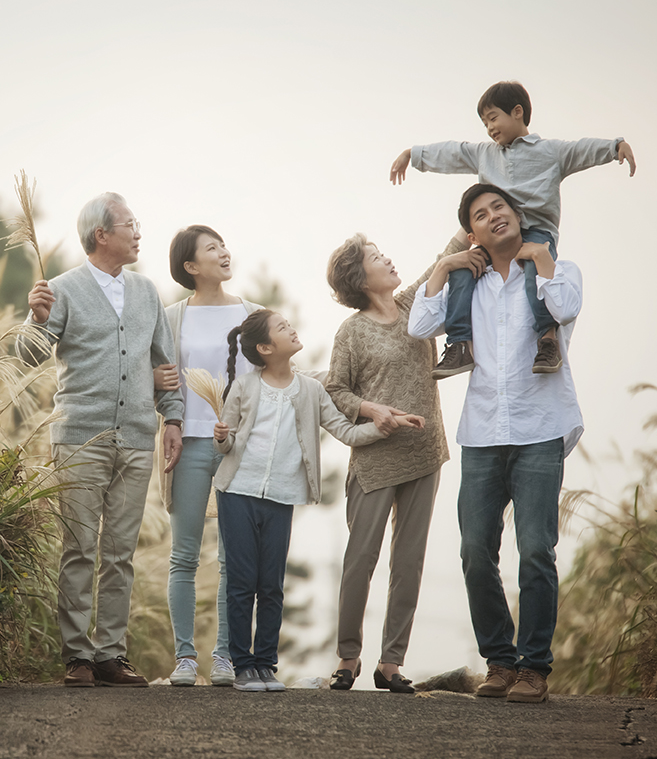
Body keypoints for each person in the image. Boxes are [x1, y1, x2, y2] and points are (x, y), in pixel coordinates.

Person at [408, 183, 585, 704]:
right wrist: (445, 267)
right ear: (473, 233)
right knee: (474, 550)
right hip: (483, 433)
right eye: (481, 215)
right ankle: (500, 662)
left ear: (517, 216)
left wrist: (543, 259)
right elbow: (421, 323)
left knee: (536, 550)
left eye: (499, 208)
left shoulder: (560, 270)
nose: (493, 217)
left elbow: (567, 307)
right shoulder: (469, 284)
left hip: (539, 428)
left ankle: (534, 668)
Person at [16, 192, 185, 688]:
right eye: (130, 224)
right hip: (79, 439)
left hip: (136, 438)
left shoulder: (147, 290)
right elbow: (28, 356)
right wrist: (36, 318)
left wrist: (171, 420)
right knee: (79, 549)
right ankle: (77, 657)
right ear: (101, 235)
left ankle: (110, 654)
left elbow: (165, 366)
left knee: (119, 552)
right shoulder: (61, 289)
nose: (138, 232)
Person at [211, 310, 418, 692]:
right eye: (282, 327)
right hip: (237, 491)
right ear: (265, 347)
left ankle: (265, 665)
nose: (292, 327)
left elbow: (345, 431)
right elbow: (227, 444)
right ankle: (243, 667)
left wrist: (383, 425)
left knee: (271, 585)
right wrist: (222, 437)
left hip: (282, 497)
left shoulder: (311, 390)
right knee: (242, 583)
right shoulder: (242, 386)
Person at [323, 226, 484, 693]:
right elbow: (335, 389)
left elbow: (447, 253)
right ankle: (348, 657)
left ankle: (390, 663)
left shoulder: (415, 304)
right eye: (376, 256)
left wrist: (475, 207)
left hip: (424, 453)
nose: (388, 260)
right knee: (360, 561)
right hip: (374, 458)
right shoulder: (351, 331)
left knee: (409, 562)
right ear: (359, 277)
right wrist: (373, 410)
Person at [390, 80, 632, 379]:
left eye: (493, 118)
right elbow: (452, 153)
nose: (489, 128)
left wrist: (614, 147)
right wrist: (413, 155)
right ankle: (460, 343)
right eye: (484, 123)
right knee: (464, 272)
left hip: (536, 235)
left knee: (533, 272)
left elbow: (581, 149)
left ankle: (547, 339)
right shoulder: (485, 154)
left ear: (517, 112)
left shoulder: (551, 152)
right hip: (495, 241)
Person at [152, 225, 262, 688]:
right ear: (191, 266)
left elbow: (271, 375)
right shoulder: (172, 316)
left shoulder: (252, 313)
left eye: (224, 245)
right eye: (212, 248)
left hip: (236, 446)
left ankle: (224, 657)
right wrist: (157, 383)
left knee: (234, 560)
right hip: (189, 444)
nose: (224, 252)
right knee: (185, 555)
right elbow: (155, 371)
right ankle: (184, 658)